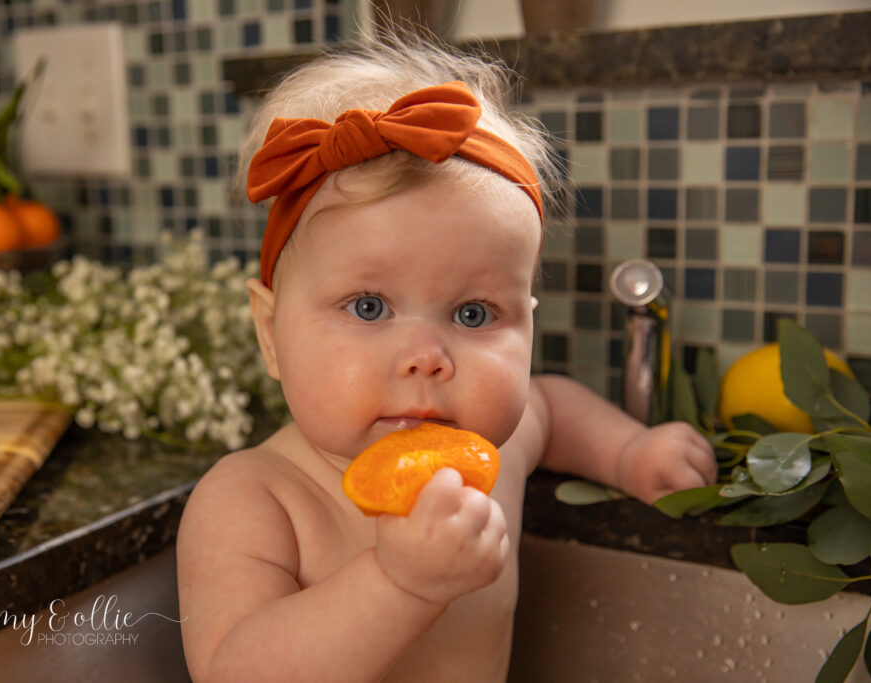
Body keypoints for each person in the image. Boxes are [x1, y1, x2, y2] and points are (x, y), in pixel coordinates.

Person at [176, 33, 717, 683]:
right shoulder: (255, 497)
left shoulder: (496, 450)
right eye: (369, 306)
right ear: (270, 334)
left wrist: (631, 453)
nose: (427, 358)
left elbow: (551, 404)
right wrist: (398, 584)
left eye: (473, 313)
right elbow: (233, 671)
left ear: (528, 327)